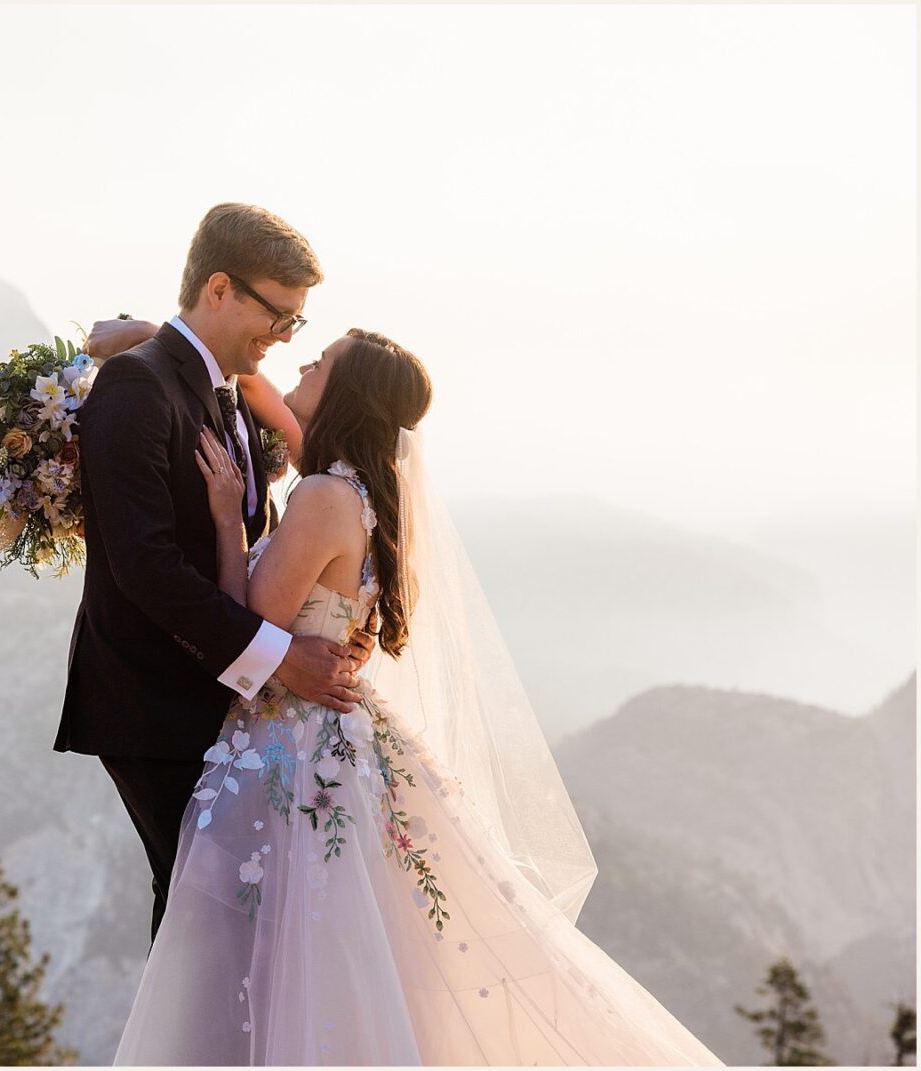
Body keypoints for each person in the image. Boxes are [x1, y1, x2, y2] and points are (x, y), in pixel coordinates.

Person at [108, 327, 724, 1066]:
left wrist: (223, 516)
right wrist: (155, 337)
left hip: (286, 749)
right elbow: (255, 391)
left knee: (255, 956)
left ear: (346, 393)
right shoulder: (366, 491)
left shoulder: (321, 495)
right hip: (343, 737)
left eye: (321, 361)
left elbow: (249, 621)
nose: (303, 363)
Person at [54, 204, 380, 948]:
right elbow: (146, 567)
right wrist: (281, 658)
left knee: (220, 920)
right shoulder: (137, 387)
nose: (284, 336)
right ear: (221, 289)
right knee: (201, 921)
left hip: (213, 698)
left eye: (298, 324)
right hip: (152, 701)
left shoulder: (225, 387)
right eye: (279, 314)